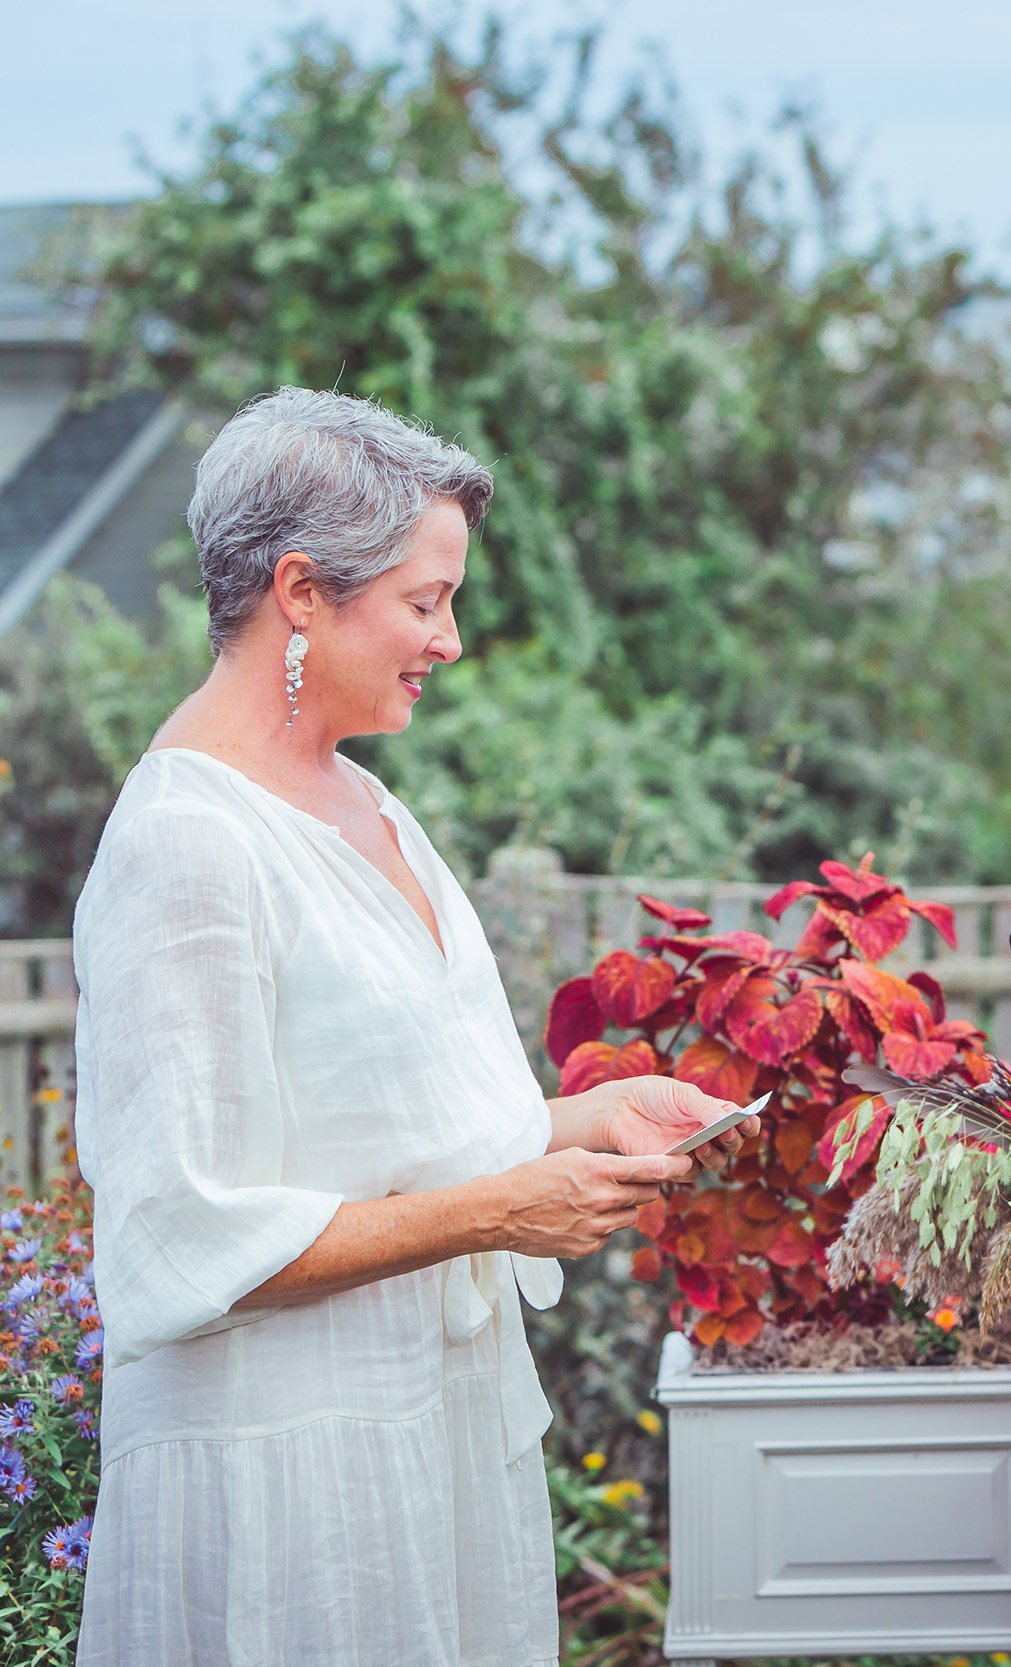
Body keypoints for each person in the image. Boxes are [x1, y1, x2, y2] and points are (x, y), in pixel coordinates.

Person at [72, 388, 760, 1666]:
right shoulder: (187, 845)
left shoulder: (371, 802)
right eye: (424, 599)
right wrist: (500, 1210)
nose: (449, 640)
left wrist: (580, 1120)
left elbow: (381, 1133)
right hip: (290, 1478)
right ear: (299, 590)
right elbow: (182, 1233)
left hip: (431, 1429)